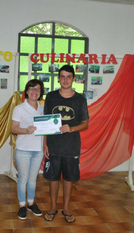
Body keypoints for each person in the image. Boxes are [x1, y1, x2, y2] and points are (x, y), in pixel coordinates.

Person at [43, 65, 89, 223]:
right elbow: (45, 123)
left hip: (71, 146)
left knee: (69, 178)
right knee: (53, 178)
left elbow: (85, 124)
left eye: (68, 76)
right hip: (53, 146)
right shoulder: (51, 97)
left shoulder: (80, 99)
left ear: (74, 79)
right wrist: (45, 144)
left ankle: (67, 208)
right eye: (62, 76)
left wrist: (71, 128)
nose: (65, 79)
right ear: (58, 78)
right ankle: (53, 207)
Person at [11, 79, 45, 220]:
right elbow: (13, 129)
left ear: (40, 92)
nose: (34, 91)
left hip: (38, 150)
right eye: (31, 88)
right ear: (26, 91)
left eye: (37, 89)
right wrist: (26, 130)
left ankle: (31, 203)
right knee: (23, 179)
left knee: (33, 179)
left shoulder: (43, 109)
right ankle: (22, 205)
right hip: (23, 150)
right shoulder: (19, 108)